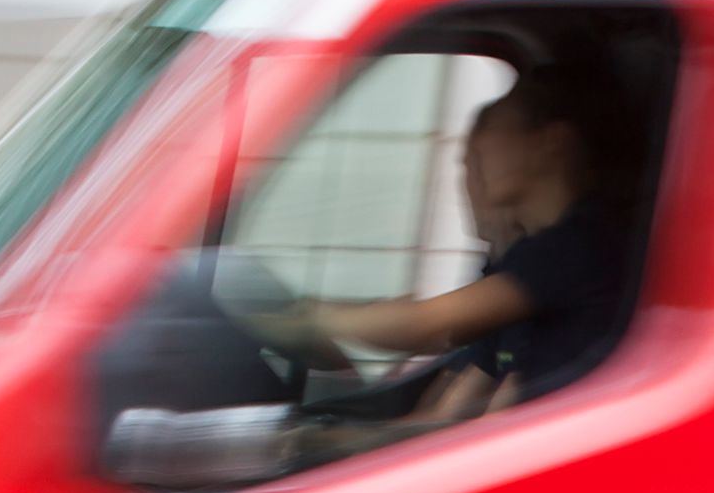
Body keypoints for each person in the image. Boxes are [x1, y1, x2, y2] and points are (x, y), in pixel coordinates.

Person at [253, 66, 638, 421]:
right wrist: (346, 440)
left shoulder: (577, 246)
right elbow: (455, 411)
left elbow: (425, 327)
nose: (476, 153)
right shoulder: (526, 260)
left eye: (491, 129)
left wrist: (313, 319)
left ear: (552, 143)